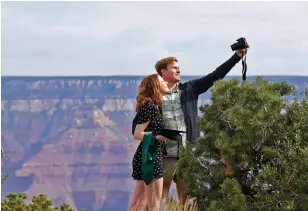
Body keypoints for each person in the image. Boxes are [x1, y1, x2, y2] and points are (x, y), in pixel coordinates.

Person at [155, 48, 248, 204]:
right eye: (175, 68)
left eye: (178, 67)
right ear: (163, 72)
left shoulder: (191, 89)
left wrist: (237, 56)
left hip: (188, 153)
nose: (179, 70)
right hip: (165, 154)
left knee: (188, 199)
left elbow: (215, 76)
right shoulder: (155, 97)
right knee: (155, 197)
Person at [128, 73, 170, 211]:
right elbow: (137, 134)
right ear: (155, 86)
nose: (165, 82)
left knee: (139, 203)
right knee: (153, 204)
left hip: (149, 154)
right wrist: (158, 136)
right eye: (162, 81)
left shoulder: (156, 106)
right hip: (150, 156)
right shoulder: (150, 106)